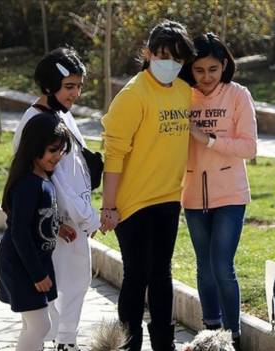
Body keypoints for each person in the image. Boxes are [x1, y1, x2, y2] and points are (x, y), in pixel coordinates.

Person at [99, 20, 195, 351]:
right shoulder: (133, 95)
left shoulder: (184, 92)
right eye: (163, 55)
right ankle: (129, 345)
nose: (170, 63)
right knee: (137, 276)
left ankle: (163, 344)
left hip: (168, 198)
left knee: (162, 275)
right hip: (133, 203)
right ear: (148, 53)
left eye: (178, 58)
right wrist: (108, 206)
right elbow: (113, 156)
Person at [12, 47, 99, 351]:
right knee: (62, 285)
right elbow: (52, 178)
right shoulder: (38, 122)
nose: (75, 93)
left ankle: (64, 341)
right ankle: (62, 342)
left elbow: (73, 166)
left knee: (76, 282)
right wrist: (69, 219)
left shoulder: (61, 114)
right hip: (59, 222)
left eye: (79, 86)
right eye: (69, 86)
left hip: (71, 218)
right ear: (50, 85)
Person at [178, 33, 257, 350]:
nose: (206, 76)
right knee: (204, 266)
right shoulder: (183, 96)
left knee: (222, 264)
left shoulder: (238, 95)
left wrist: (208, 139)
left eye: (213, 69)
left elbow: (249, 147)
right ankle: (210, 332)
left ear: (224, 65)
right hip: (192, 194)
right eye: (199, 70)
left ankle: (233, 336)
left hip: (230, 195)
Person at [0, 113, 72, 351]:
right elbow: (19, 231)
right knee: (40, 325)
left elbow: (35, 219)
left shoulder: (43, 179)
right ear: (34, 147)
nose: (57, 156)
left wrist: (57, 228)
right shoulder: (28, 184)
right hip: (21, 263)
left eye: (61, 151)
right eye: (52, 150)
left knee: (34, 325)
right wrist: (37, 274)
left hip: (31, 260)